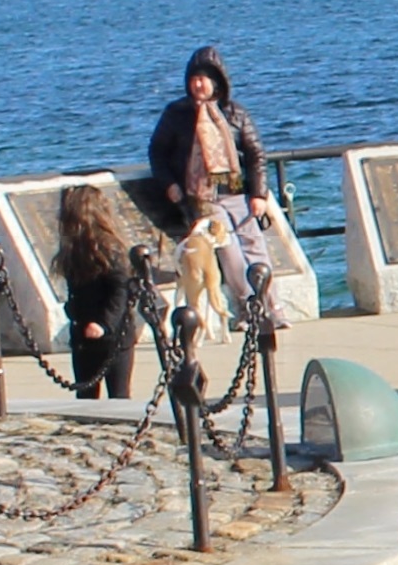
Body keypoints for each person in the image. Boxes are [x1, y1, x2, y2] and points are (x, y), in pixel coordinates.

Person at [136, 46, 283, 333]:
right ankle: (248, 307)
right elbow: (157, 152)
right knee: (229, 251)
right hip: (203, 197)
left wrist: (259, 194)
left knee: (255, 246)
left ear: (218, 81)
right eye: (194, 79)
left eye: (204, 79)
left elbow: (255, 155)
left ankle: (272, 307)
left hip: (236, 191)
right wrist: (170, 184)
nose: (198, 84)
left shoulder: (236, 113)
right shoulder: (177, 114)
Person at [56, 183, 146, 401]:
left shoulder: (109, 248)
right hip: (82, 334)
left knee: (119, 395)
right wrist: (73, 311)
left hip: (114, 335)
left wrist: (104, 323)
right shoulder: (72, 250)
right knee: (85, 394)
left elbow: (120, 290)